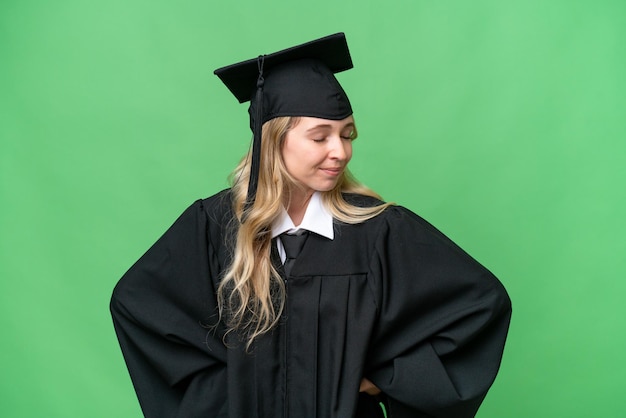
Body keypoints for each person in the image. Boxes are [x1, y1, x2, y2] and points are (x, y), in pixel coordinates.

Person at [110, 33, 512, 418]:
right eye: (320, 137)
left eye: (347, 135)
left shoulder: (379, 230)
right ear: (273, 140)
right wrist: (229, 392)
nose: (340, 152)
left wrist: (383, 379)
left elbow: (481, 307)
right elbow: (138, 306)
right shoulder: (214, 227)